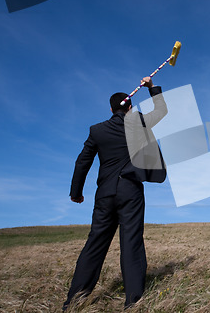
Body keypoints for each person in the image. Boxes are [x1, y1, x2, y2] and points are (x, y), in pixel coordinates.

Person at [64, 76, 168, 310]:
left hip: (105, 194)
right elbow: (161, 110)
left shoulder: (97, 130)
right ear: (130, 107)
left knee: (94, 245)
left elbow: (82, 162)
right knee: (131, 244)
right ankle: (132, 301)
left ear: (111, 109)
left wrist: (76, 192)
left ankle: (73, 301)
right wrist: (152, 88)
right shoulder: (138, 122)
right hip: (130, 190)